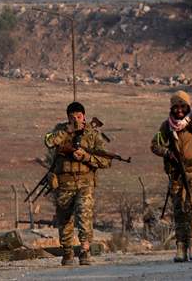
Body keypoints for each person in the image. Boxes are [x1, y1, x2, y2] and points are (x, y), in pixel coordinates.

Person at [43, 101, 112, 266]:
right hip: (64, 183)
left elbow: (106, 160)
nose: (76, 120)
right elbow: (49, 142)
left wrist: (87, 157)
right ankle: (67, 252)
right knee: (65, 220)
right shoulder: (60, 130)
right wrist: (68, 130)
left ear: (84, 116)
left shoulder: (92, 133)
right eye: (72, 117)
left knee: (84, 213)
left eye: (79, 117)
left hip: (85, 182)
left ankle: (85, 249)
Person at [150, 75, 192, 262]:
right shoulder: (167, 126)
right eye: (176, 106)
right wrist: (167, 153)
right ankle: (181, 247)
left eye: (183, 106)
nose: (180, 110)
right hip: (176, 174)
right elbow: (154, 145)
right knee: (179, 211)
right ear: (172, 108)